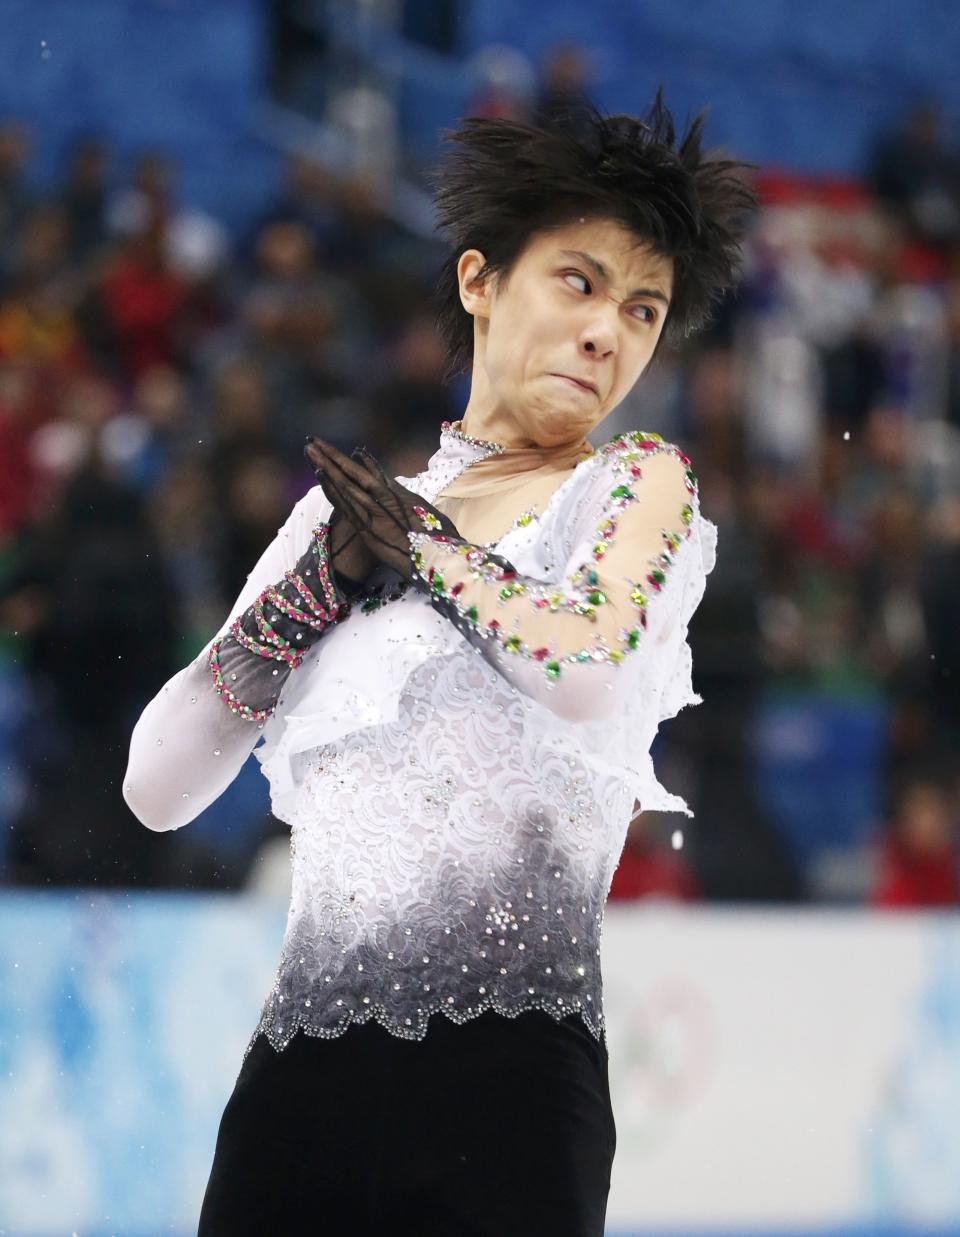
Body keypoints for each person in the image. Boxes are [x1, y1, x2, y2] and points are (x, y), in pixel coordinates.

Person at [123, 91, 756, 1235]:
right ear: (479, 281)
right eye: (580, 280)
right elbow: (158, 786)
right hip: (294, 1088)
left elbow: (583, 663)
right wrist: (319, 590)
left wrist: (429, 552)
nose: (610, 330)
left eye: (646, 307)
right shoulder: (343, 519)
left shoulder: (630, 484)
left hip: (509, 1088)